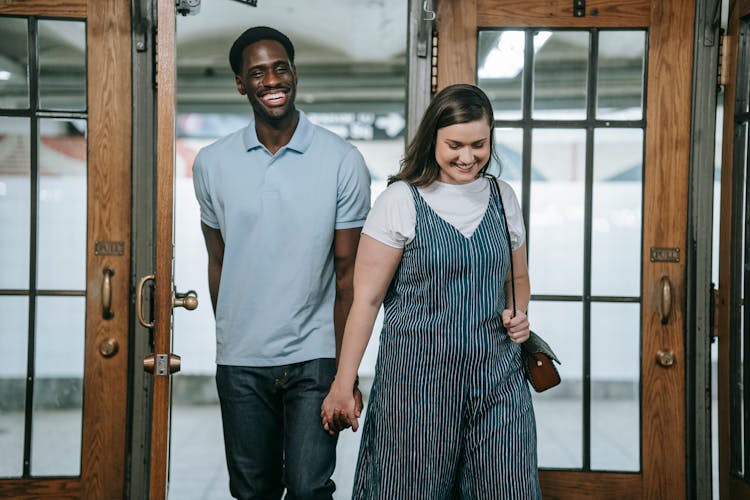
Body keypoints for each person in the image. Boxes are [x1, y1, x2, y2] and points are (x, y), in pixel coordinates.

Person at [321, 83, 541, 498]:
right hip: (416, 385)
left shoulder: (502, 196)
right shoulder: (400, 200)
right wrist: (342, 382)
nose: (468, 157)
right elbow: (365, 301)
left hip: (497, 379)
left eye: (479, 145)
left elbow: (517, 279)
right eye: (455, 144)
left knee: (508, 487)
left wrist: (519, 313)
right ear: (432, 139)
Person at [192, 26, 371, 499]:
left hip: (315, 358)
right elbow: (218, 259)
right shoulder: (211, 162)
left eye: (280, 68)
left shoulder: (342, 159)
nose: (272, 79)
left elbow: (348, 274)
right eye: (258, 72)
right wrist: (230, 335)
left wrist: (344, 373)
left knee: (310, 488)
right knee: (252, 491)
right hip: (241, 360)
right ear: (240, 83)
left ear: (293, 73)